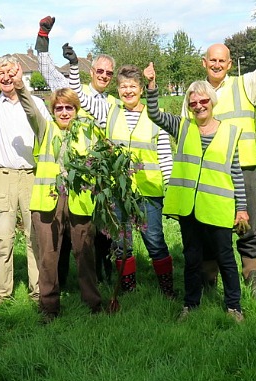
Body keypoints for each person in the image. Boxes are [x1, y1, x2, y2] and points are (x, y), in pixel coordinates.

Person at [190, 7, 256, 302]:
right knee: (209, 227)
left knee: (248, 227)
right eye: (213, 60)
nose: (217, 64)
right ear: (204, 63)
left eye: (222, 60)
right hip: (209, 173)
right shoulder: (195, 93)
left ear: (229, 62)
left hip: (243, 169)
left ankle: (252, 282)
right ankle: (209, 283)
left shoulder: (245, 84)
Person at [64, 47, 176, 298]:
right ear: (118, 89)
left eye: (132, 87)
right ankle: (128, 289)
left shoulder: (154, 116)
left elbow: (166, 158)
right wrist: (74, 67)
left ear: (140, 89)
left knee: (154, 240)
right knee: (121, 242)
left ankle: (167, 290)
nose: (127, 91)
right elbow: (80, 98)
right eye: (123, 86)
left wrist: (172, 192)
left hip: (148, 191)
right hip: (118, 190)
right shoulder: (109, 112)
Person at [145, 63, 248, 322]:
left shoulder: (229, 132)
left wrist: (242, 208)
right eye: (193, 103)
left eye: (203, 101)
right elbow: (155, 114)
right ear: (189, 106)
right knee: (192, 259)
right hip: (189, 207)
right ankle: (190, 305)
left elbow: (236, 172)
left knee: (226, 259)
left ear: (211, 102)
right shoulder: (182, 127)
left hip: (218, 207)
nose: (199, 106)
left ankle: (234, 307)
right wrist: (151, 85)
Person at [11, 62, 102, 322]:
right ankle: (49, 307)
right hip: (48, 200)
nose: (64, 112)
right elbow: (29, 109)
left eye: (69, 108)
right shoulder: (45, 128)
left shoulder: (88, 131)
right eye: (59, 108)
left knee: (85, 253)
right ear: (53, 111)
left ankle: (93, 303)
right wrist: (19, 85)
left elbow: (100, 162)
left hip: (80, 200)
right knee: (48, 258)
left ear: (76, 110)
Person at [0, 45, 51, 304]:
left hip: (31, 177)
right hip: (0, 176)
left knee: (34, 237)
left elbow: (45, 131)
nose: (5, 77)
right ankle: (0, 296)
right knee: (1, 239)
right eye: (0, 72)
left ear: (20, 73)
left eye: (10, 71)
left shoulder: (35, 102)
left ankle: (39, 293)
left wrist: (22, 88)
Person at [35, 16, 116, 285]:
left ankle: (105, 279)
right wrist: (43, 39)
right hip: (69, 172)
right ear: (91, 71)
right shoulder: (75, 95)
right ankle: (62, 284)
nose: (103, 76)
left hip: (100, 174)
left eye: (108, 73)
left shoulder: (113, 103)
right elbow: (48, 74)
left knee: (100, 234)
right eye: (99, 71)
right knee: (66, 236)